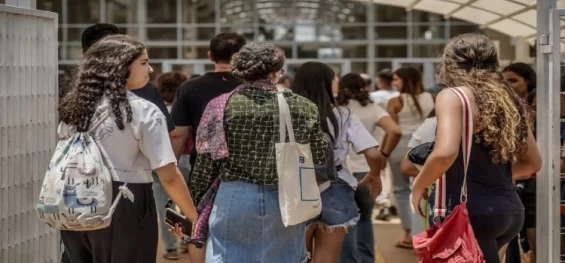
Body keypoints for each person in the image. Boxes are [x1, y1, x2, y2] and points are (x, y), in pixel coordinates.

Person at [174, 43, 328, 263]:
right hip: (287, 196)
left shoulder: (220, 105)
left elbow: (206, 164)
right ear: (276, 72)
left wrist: (195, 207)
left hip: (234, 197)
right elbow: (320, 153)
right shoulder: (302, 106)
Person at [58, 35, 198, 263]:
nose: (150, 69)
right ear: (120, 66)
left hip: (74, 198)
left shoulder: (75, 107)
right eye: (143, 62)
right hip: (125, 201)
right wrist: (193, 217)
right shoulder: (144, 111)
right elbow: (169, 176)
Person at [411, 33, 542, 263]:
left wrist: (419, 184)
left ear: (450, 61)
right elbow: (533, 162)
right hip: (508, 210)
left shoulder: (453, 96)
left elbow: (444, 153)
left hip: (468, 211)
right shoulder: (508, 99)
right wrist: (493, 178)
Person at [293, 62, 384, 263]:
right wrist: (375, 175)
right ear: (326, 83)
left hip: (297, 189)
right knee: (328, 258)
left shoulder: (288, 114)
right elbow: (374, 155)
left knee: (300, 257)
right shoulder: (343, 114)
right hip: (337, 187)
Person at [336, 72, 401, 263]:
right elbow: (395, 130)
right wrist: (384, 154)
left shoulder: (337, 108)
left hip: (343, 171)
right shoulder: (372, 108)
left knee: (346, 221)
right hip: (368, 170)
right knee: (365, 219)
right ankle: (367, 260)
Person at [81, 23, 174, 133]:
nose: (150, 69)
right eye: (143, 63)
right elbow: (162, 135)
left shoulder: (75, 95)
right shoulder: (144, 92)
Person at [170, 32, 246, 166]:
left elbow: (178, 134)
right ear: (242, 57)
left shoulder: (190, 87)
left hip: (204, 167)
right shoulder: (252, 86)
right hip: (246, 168)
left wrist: (171, 171)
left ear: (210, 56)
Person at [387, 67, 435, 249]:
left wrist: (384, 152)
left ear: (405, 80)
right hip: (425, 146)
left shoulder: (395, 101)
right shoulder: (433, 98)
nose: (394, 82)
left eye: (396, 79)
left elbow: (393, 130)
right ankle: (424, 232)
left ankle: (408, 234)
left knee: (400, 191)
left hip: (401, 146)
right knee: (425, 189)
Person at [502, 62, 537, 263]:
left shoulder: (539, 105)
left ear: (528, 81)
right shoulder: (501, 107)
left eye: (514, 80)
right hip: (512, 176)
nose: (509, 85)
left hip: (534, 178)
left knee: (533, 230)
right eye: (505, 81)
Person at [154, 71, 189, 260]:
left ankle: (170, 248)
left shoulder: (155, 110)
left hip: (160, 161)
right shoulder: (184, 110)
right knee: (186, 203)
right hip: (185, 158)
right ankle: (187, 239)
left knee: (164, 207)